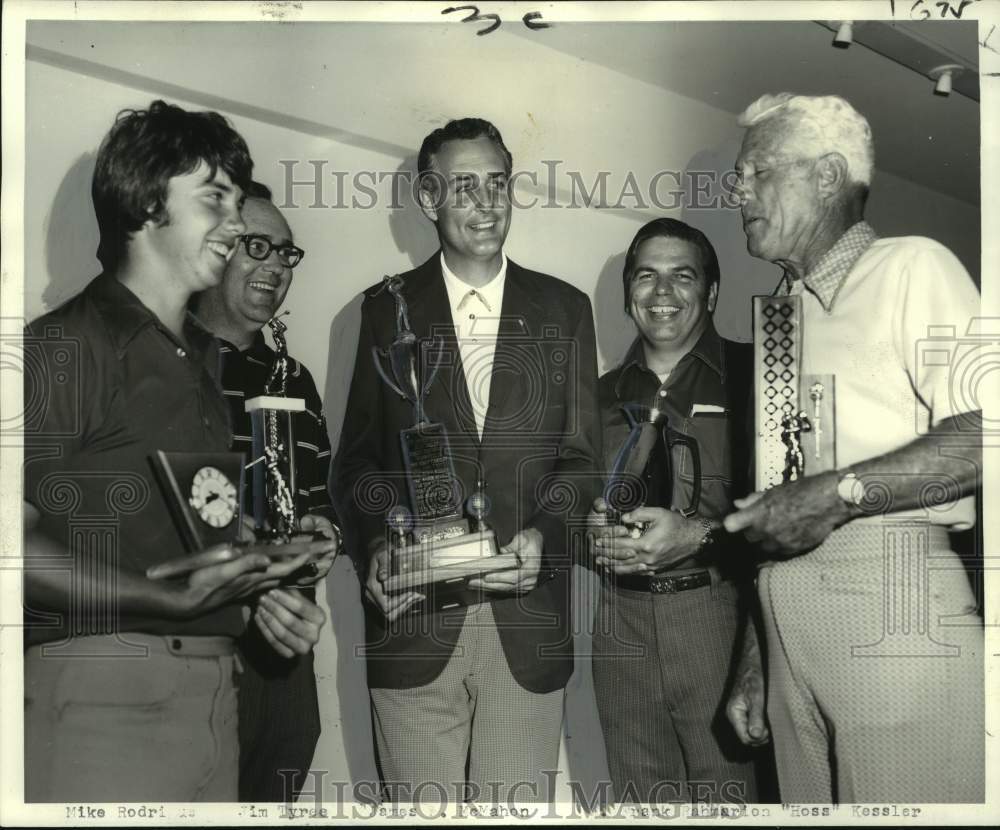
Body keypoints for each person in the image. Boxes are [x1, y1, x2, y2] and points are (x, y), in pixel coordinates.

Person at [22, 101, 333, 803]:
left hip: (212, 701)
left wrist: (258, 590)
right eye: (215, 198)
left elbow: (183, 541)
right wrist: (163, 597)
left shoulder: (198, 363)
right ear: (146, 204)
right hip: (103, 702)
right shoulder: (66, 347)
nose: (235, 222)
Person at [723, 93, 983, 803]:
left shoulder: (914, 267)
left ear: (829, 177)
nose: (736, 189)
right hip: (786, 627)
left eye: (755, 171)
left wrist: (836, 494)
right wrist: (756, 656)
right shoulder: (779, 316)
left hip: (893, 609)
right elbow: (779, 513)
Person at [334, 117, 601, 803]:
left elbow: (581, 462)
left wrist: (546, 532)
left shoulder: (564, 310)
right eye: (464, 188)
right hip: (418, 619)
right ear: (428, 199)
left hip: (526, 617)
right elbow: (357, 465)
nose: (486, 204)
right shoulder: (382, 312)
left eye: (497, 184)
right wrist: (376, 548)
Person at [588, 218, 759, 805]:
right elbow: (565, 500)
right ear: (627, 293)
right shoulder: (596, 395)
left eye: (681, 276)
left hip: (722, 616)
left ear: (710, 292)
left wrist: (700, 535)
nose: (661, 293)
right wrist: (585, 532)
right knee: (641, 802)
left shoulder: (757, 376)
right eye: (646, 276)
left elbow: (792, 515)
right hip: (619, 624)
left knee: (731, 800)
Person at [192, 181, 341, 801]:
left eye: (287, 254)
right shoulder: (162, 360)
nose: (277, 265)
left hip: (282, 650)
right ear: (215, 248)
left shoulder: (294, 378)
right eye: (259, 246)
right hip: (191, 642)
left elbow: (320, 495)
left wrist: (326, 532)